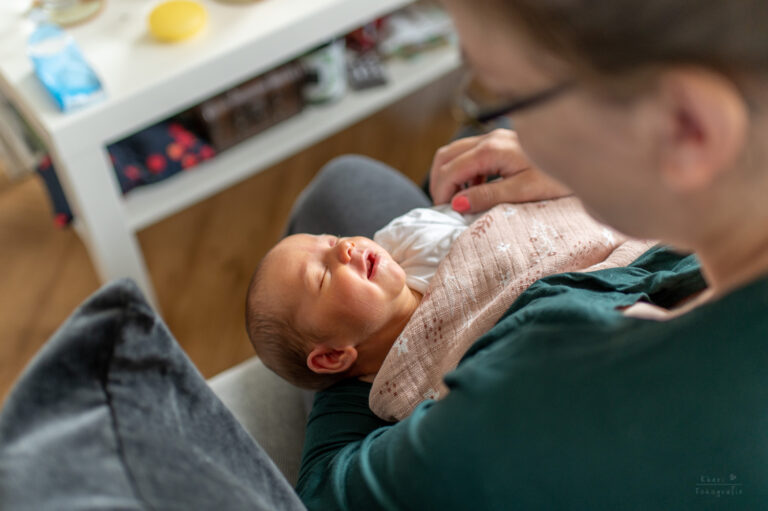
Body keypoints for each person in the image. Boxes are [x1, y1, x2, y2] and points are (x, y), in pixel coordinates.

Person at [289, 0, 768, 509]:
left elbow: (325, 492)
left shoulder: (551, 386)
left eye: (511, 95)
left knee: (344, 188)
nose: (513, 132)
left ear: (687, 128)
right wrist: (610, 166)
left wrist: (357, 351)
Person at [245, 205, 479, 390]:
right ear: (332, 356)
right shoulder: (406, 394)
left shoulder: (413, 237)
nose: (345, 246)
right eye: (323, 276)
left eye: (332, 240)